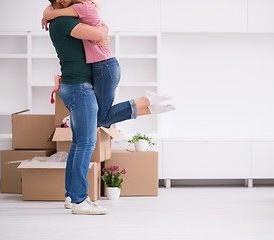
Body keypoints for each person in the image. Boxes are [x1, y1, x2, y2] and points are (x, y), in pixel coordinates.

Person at [42, 0, 175, 215]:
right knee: (86, 143)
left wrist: (48, 14)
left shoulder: (60, 18)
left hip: (75, 86)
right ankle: (79, 201)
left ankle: (71, 196)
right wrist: (50, 14)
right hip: (79, 87)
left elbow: (102, 30)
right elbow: (100, 34)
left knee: (79, 142)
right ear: (58, 1)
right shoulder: (63, 21)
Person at [43, 0, 175, 128]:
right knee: (101, 118)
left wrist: (46, 17)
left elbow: (52, 13)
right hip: (104, 66)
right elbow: (101, 26)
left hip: (104, 66)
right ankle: (149, 108)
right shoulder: (78, 10)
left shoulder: (81, 7)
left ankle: (147, 101)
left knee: (100, 119)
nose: (60, 2)